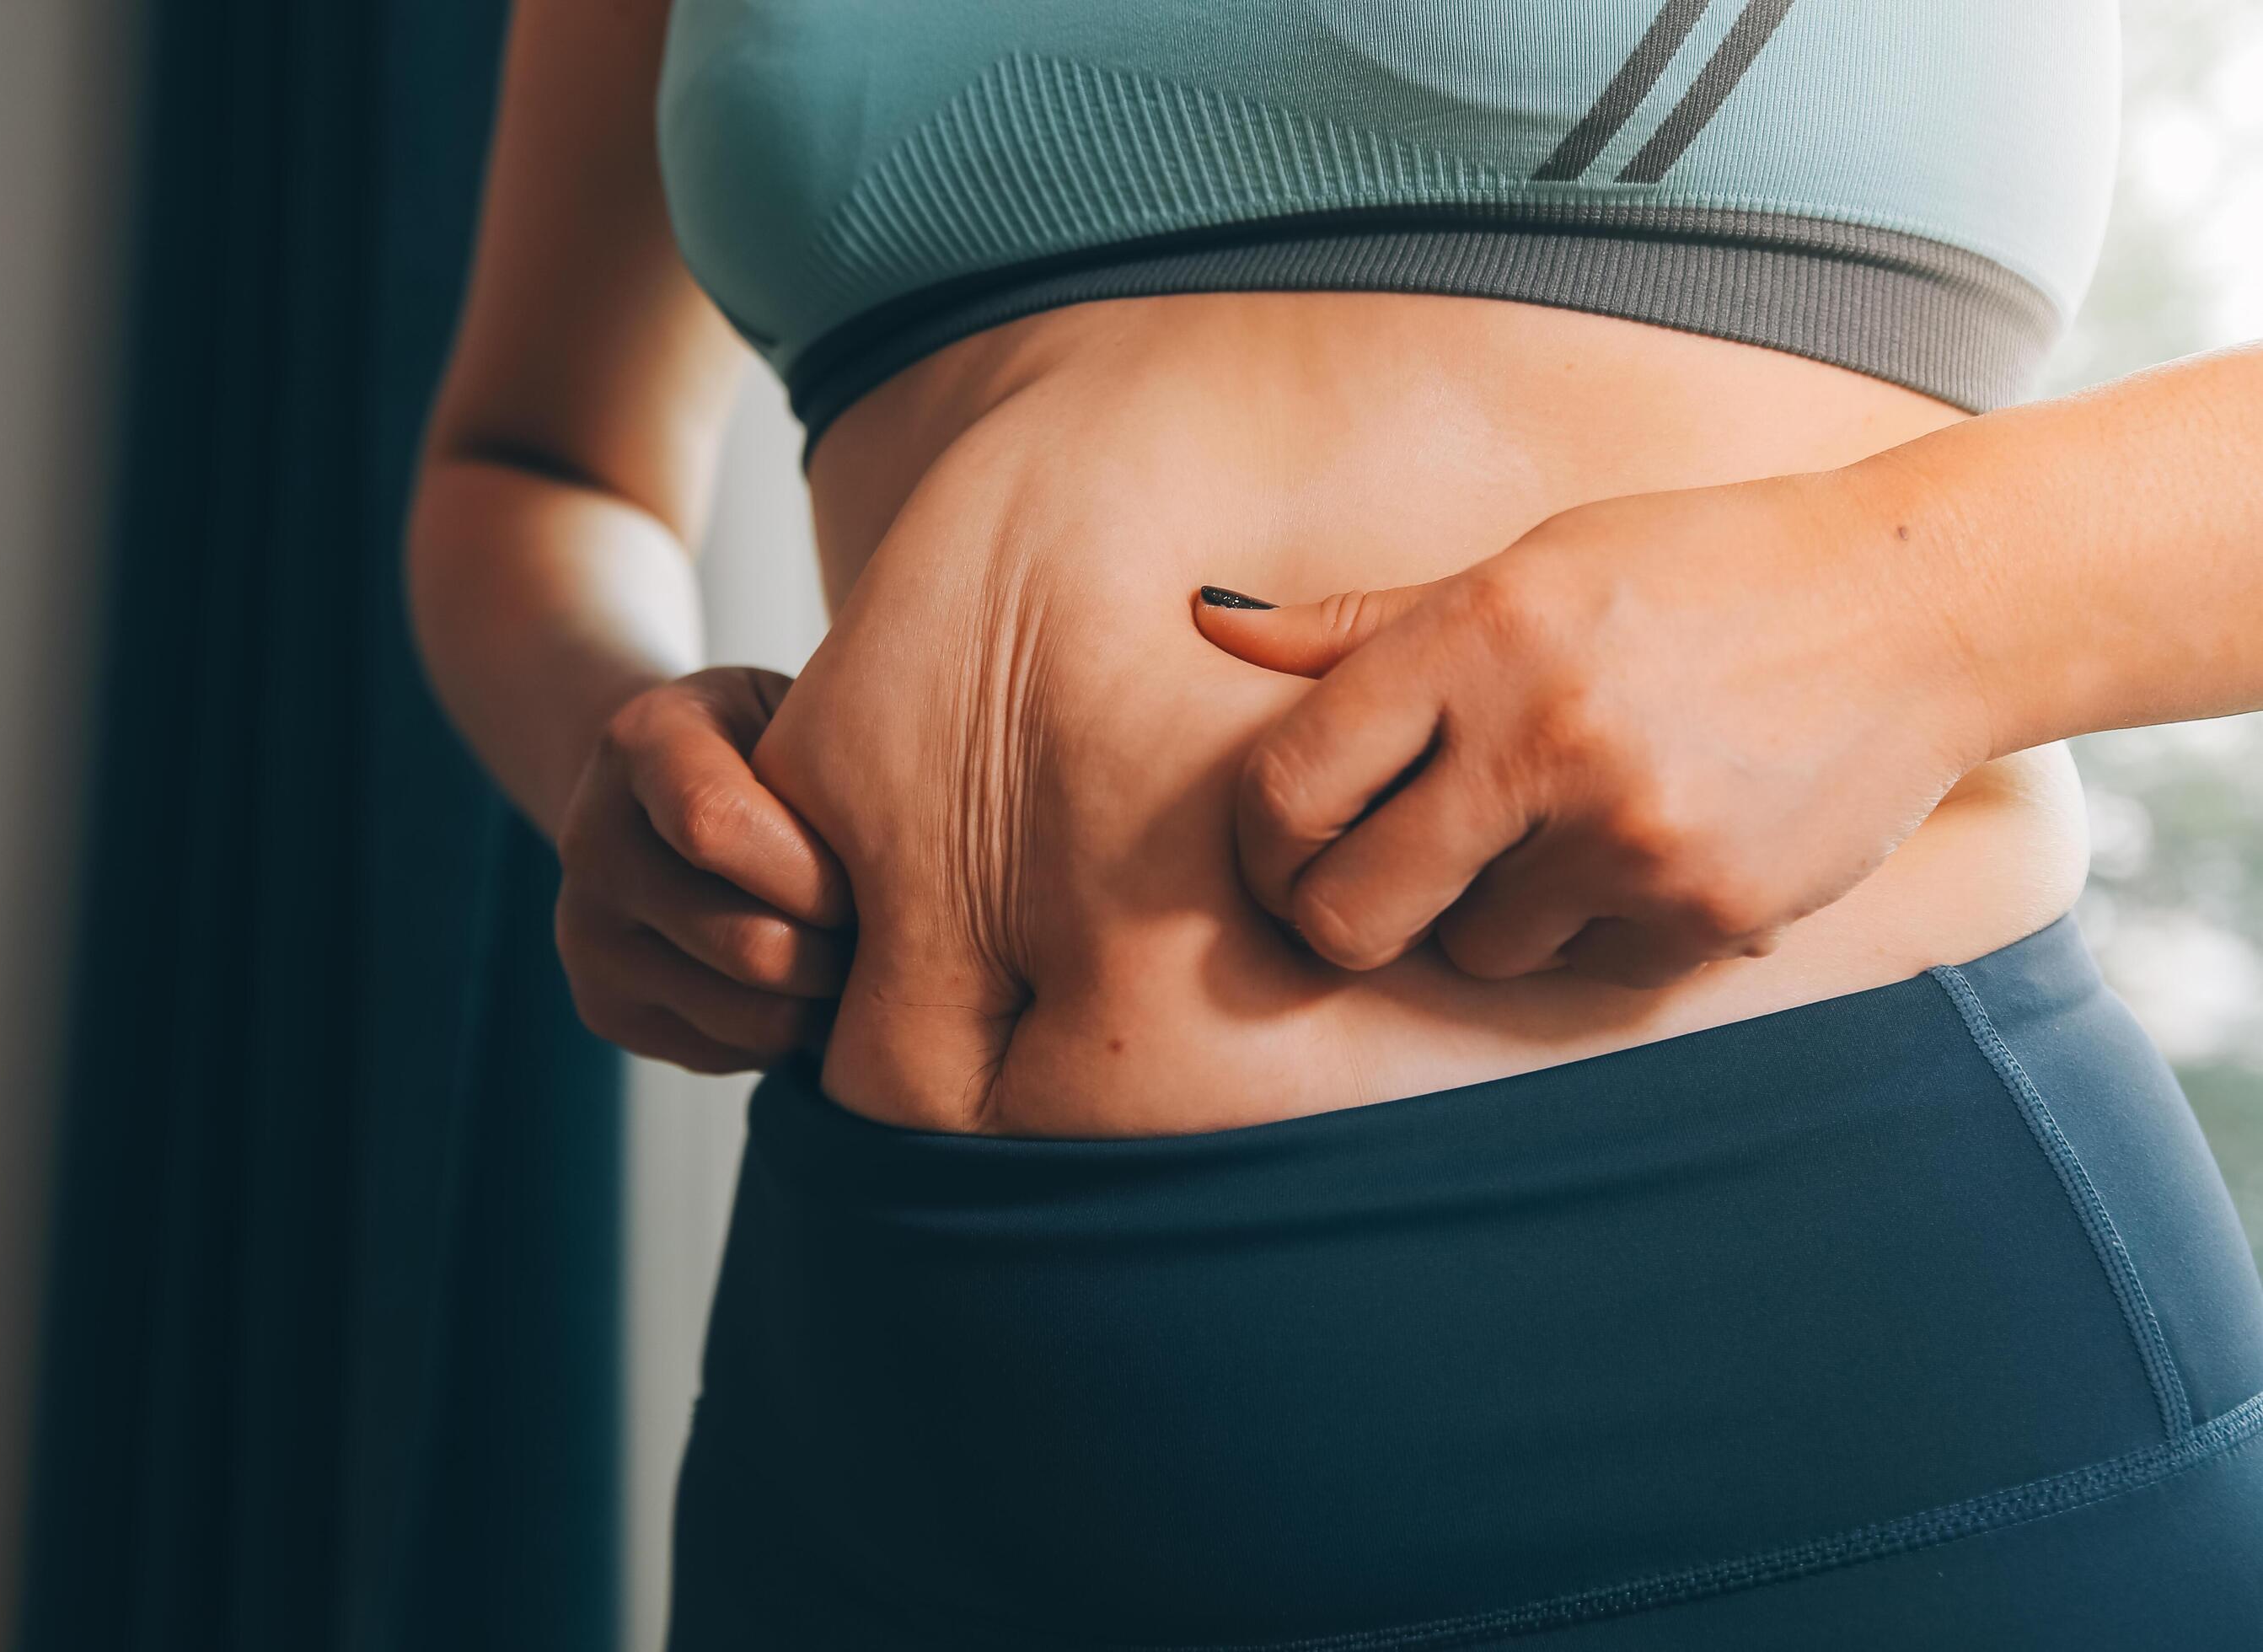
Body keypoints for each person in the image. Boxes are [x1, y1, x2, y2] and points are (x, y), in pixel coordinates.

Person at [407, 0, 2263, 1644]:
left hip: (1774, 1347)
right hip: (885, 1386)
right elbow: (533, 470)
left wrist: (1915, 609)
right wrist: (608, 748)